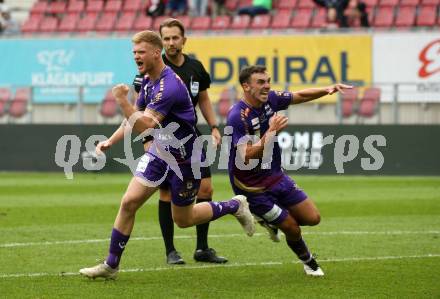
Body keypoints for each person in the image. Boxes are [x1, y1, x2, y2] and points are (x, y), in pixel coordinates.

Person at [79, 30, 256, 279]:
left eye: (140, 52)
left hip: (185, 161)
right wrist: (111, 140)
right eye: (134, 53)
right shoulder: (149, 80)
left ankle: (234, 205)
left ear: (155, 52)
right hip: (160, 154)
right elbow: (135, 117)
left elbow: (145, 125)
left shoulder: (168, 86)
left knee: (183, 220)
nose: (136, 57)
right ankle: (111, 265)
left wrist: (121, 100)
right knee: (129, 202)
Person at [227, 65, 352, 276]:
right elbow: (246, 155)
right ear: (246, 86)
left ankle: (270, 219)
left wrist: (327, 89)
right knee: (292, 228)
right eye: (261, 82)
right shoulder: (237, 116)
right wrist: (272, 131)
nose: (267, 86)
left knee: (313, 218)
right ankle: (309, 262)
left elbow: (299, 95)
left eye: (268, 81)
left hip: (275, 175)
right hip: (252, 187)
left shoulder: (271, 100)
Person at [133, 18, 226, 265]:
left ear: (184, 40)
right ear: (160, 43)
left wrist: (214, 126)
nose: (171, 42)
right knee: (166, 194)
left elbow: (204, 99)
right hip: (162, 139)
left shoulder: (195, 68)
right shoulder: (149, 73)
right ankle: (170, 250)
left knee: (206, 189)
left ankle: (202, 248)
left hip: (191, 138)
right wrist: (146, 140)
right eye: (166, 38)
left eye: (176, 37)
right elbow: (140, 113)